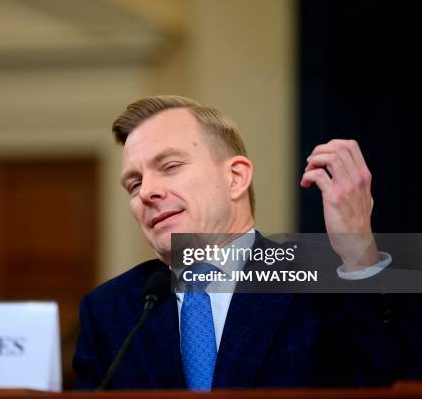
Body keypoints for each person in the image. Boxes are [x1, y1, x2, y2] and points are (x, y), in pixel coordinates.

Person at [72, 95, 420, 390]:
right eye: (134, 184)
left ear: (236, 178)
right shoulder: (109, 310)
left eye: (170, 165)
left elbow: (386, 376)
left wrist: (358, 251)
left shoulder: (323, 280)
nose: (146, 192)